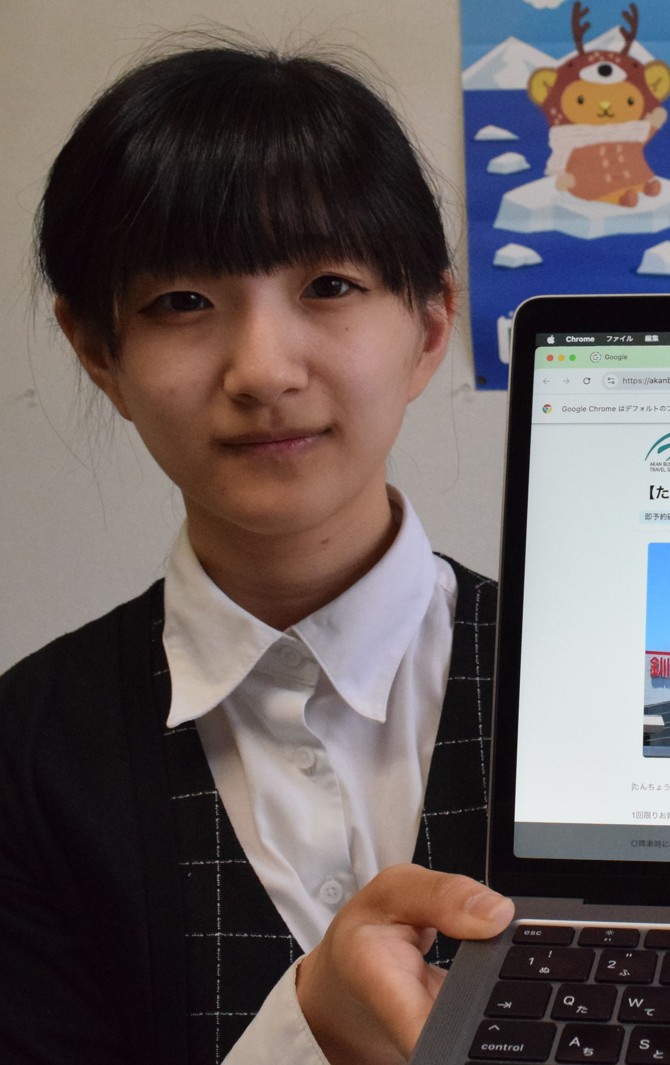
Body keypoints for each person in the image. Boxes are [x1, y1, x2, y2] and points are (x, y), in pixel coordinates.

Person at [0, 40, 513, 1065]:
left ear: (428, 327)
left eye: (328, 283)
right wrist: (307, 1032)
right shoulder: (26, 758)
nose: (263, 370)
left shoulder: (592, 689)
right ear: (98, 351)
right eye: (181, 302)